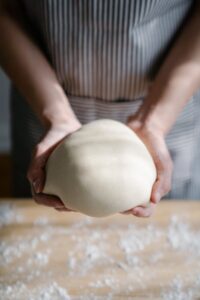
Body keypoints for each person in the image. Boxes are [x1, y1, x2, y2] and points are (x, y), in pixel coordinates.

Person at [0, 0, 200, 217]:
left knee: (170, 223)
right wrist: (57, 117)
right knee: (33, 215)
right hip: (40, 98)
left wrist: (153, 123)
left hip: (168, 103)